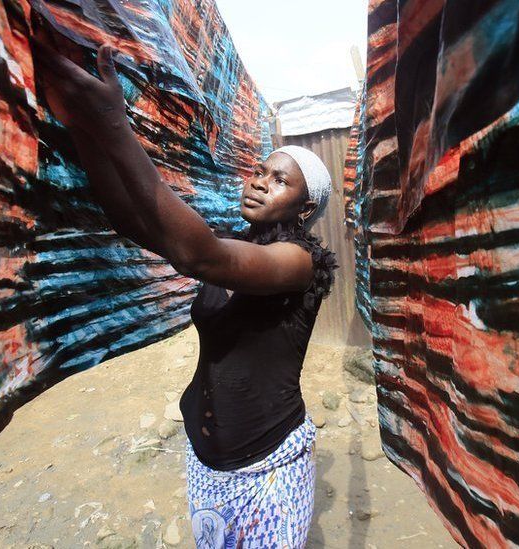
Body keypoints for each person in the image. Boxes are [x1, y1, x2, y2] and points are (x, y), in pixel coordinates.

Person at [30, 17, 338, 548]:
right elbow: (134, 220)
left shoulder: (298, 264)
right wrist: (82, 125)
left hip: (267, 470)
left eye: (279, 180)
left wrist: (114, 124)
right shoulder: (232, 244)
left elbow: (196, 254)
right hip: (204, 461)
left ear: (306, 207)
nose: (260, 181)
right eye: (260, 171)